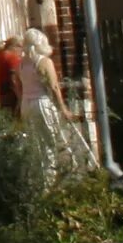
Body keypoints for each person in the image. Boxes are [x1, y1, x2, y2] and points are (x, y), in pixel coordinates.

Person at [17, 27, 95, 173]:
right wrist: (63, 108)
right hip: (42, 103)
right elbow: (54, 86)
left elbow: (20, 85)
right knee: (50, 142)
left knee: (36, 143)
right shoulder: (44, 62)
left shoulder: (21, 64)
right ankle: (50, 176)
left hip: (26, 104)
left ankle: (39, 174)